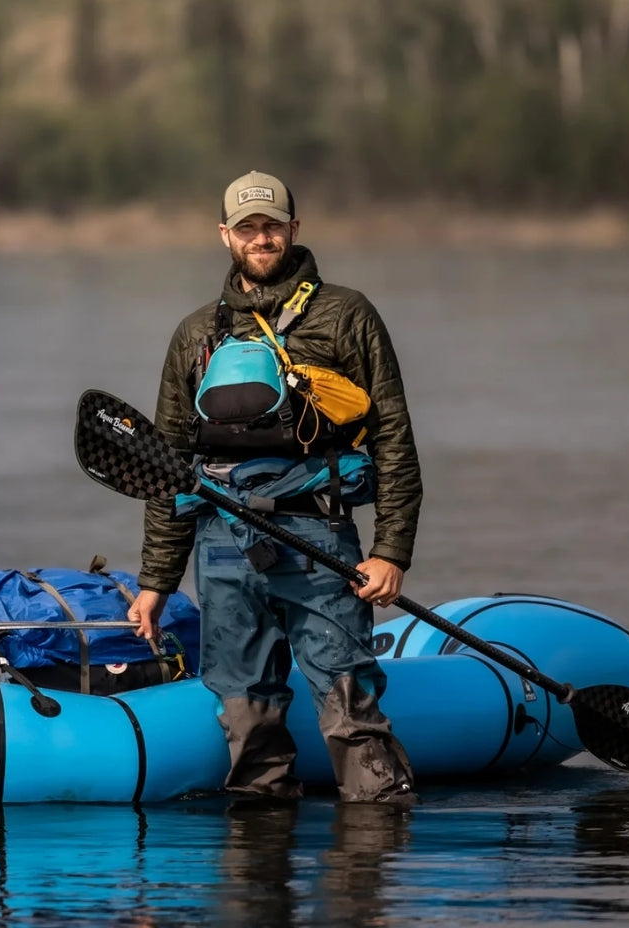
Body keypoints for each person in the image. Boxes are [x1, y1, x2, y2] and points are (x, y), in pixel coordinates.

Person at [128, 170, 422, 806]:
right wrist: (155, 583)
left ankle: (368, 875)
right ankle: (257, 874)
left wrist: (390, 551)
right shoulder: (196, 334)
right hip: (222, 549)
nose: (261, 238)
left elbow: (393, 437)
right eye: (247, 228)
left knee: (352, 711)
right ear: (225, 236)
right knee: (247, 723)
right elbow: (170, 469)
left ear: (294, 227)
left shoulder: (346, 314)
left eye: (272, 226)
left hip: (319, 541)